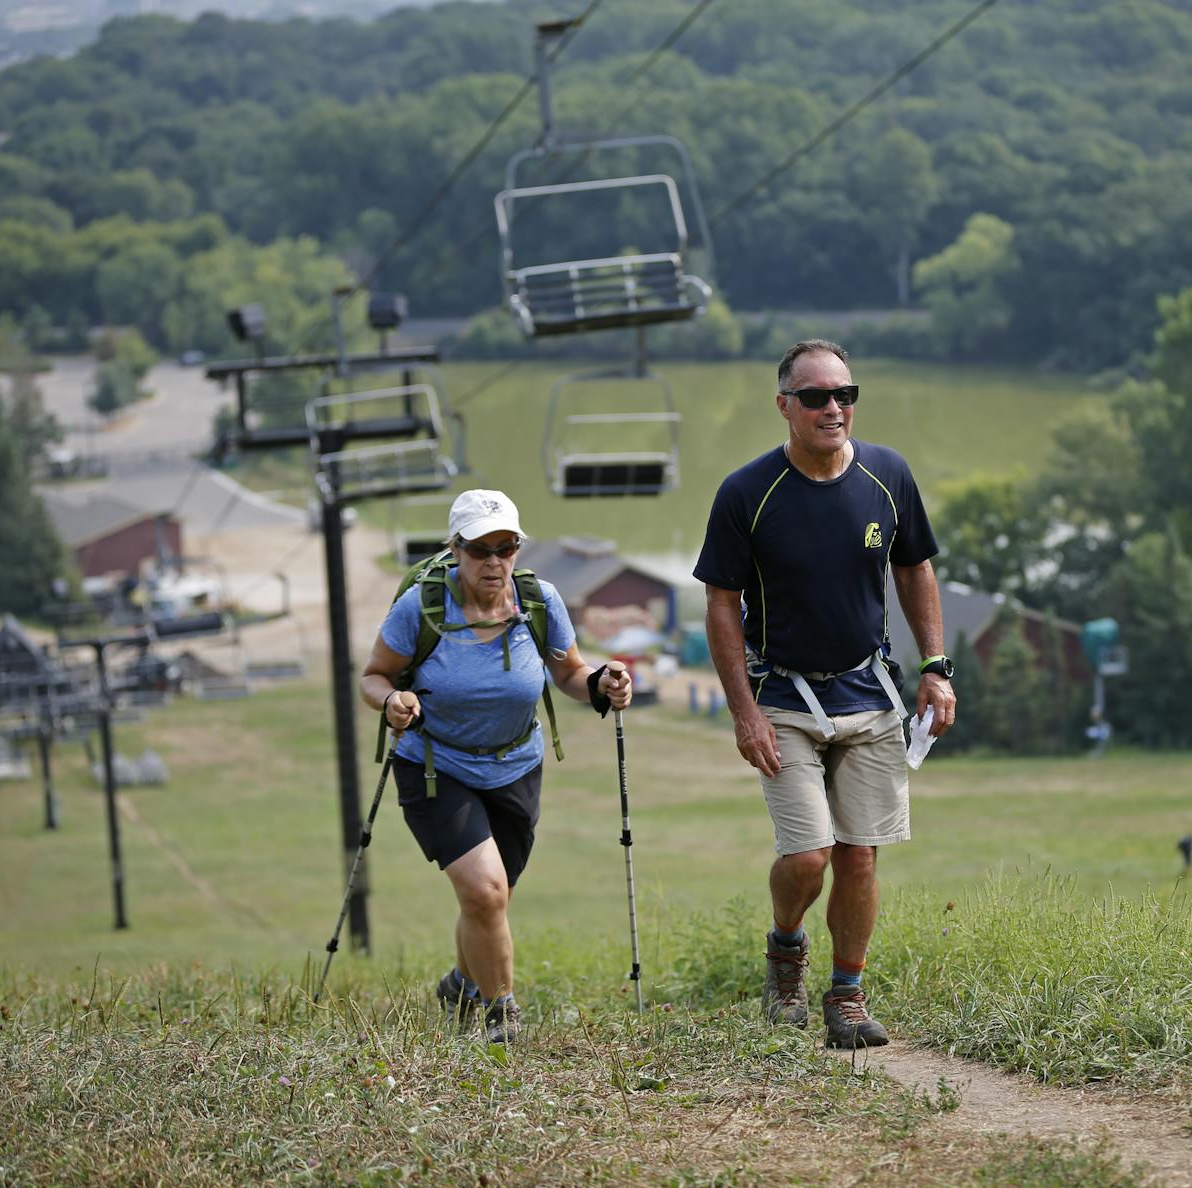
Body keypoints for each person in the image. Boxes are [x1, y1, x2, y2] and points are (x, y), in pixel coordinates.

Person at [693, 339, 956, 1049]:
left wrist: (936, 664)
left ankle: (846, 994)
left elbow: (916, 568)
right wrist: (743, 712)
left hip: (868, 695)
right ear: (784, 406)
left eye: (844, 394)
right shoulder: (746, 493)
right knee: (809, 855)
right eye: (815, 397)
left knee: (861, 853)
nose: (833, 408)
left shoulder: (888, 474)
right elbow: (721, 603)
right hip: (782, 698)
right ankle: (785, 952)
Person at [361, 489, 632, 1043]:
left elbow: (570, 674)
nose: (494, 561)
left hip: (516, 766)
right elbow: (375, 675)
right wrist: (391, 702)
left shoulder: (539, 601)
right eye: (480, 549)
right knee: (484, 892)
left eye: (506, 547)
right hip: (436, 765)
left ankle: (461, 984)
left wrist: (603, 682)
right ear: (455, 549)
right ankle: (501, 1017)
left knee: (493, 896)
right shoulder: (423, 606)